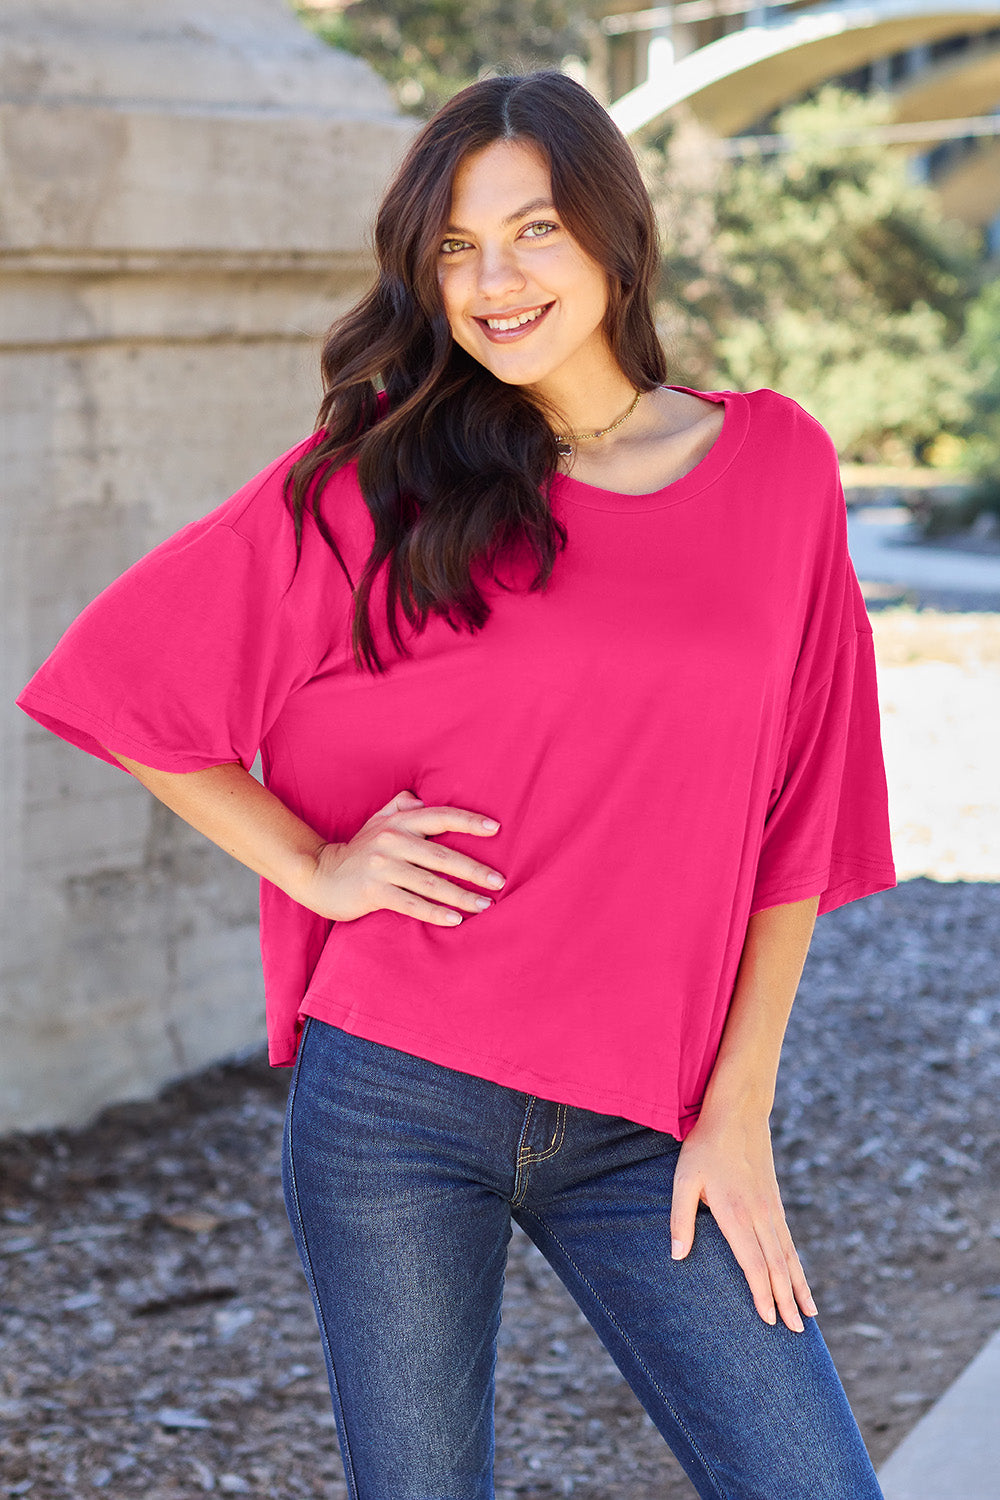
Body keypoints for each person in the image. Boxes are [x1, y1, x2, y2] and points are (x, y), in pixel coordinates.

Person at [17, 69, 896, 1500]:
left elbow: (805, 813)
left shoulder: (777, 466)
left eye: (532, 231)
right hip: (399, 1102)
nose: (493, 281)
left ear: (616, 236)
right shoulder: (384, 481)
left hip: (651, 1119)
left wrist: (740, 1111)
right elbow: (123, 684)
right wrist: (316, 867)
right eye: (454, 247)